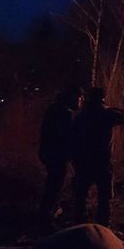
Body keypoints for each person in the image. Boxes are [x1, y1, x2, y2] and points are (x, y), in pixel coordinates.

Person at [71, 86, 124, 227]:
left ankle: (81, 226)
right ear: (103, 98)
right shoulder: (106, 114)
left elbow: (73, 138)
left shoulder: (80, 115)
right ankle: (103, 227)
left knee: (81, 195)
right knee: (104, 197)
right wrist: (109, 107)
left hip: (83, 161)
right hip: (102, 161)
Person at [38, 85, 84, 233]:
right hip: (56, 154)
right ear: (72, 98)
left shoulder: (54, 109)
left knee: (53, 183)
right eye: (79, 98)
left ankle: (47, 215)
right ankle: (45, 219)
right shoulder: (65, 113)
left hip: (49, 153)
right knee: (54, 185)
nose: (81, 101)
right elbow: (68, 137)